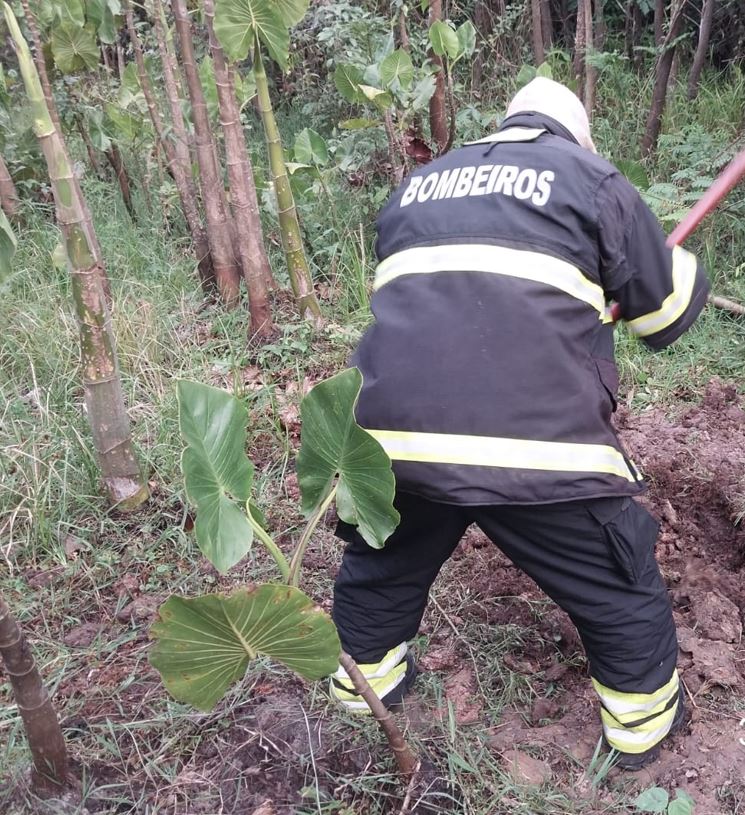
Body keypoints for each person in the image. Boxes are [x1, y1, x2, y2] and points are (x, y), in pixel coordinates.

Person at [328, 77, 709, 770]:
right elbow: (666, 316)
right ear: (576, 136)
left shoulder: (419, 185)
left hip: (391, 440)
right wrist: (665, 263)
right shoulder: (591, 180)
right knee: (617, 583)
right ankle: (641, 730)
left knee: (380, 567)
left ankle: (366, 695)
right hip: (538, 447)